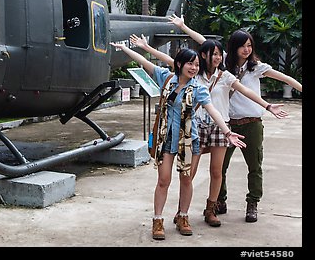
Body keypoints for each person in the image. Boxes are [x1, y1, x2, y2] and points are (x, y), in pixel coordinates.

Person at [128, 33, 288, 228]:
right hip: (195, 128)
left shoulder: (223, 76)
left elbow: (246, 92)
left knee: (216, 171)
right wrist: (142, 47)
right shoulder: (194, 75)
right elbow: (167, 61)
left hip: (218, 127)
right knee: (187, 174)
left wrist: (267, 106)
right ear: (203, 56)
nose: (218, 57)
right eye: (214, 54)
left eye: (220, 54)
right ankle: (180, 213)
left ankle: (210, 209)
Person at [169, 14, 302, 223]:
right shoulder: (224, 66)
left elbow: (285, 78)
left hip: (252, 123)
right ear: (233, 47)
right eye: (242, 46)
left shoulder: (257, 68)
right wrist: (184, 26)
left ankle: (252, 203)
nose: (246, 50)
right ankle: (218, 202)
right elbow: (204, 43)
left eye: (249, 45)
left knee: (254, 166)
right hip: (228, 124)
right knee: (220, 168)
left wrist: (281, 98)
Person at [110, 41, 246, 240]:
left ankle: (183, 217)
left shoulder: (199, 89)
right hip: (166, 140)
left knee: (186, 180)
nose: (194, 68)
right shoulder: (166, 79)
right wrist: (125, 49)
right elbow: (144, 62)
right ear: (180, 64)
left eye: (197, 65)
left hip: (189, 141)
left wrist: (227, 132)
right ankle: (158, 220)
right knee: (163, 180)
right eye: (190, 64)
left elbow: (213, 110)